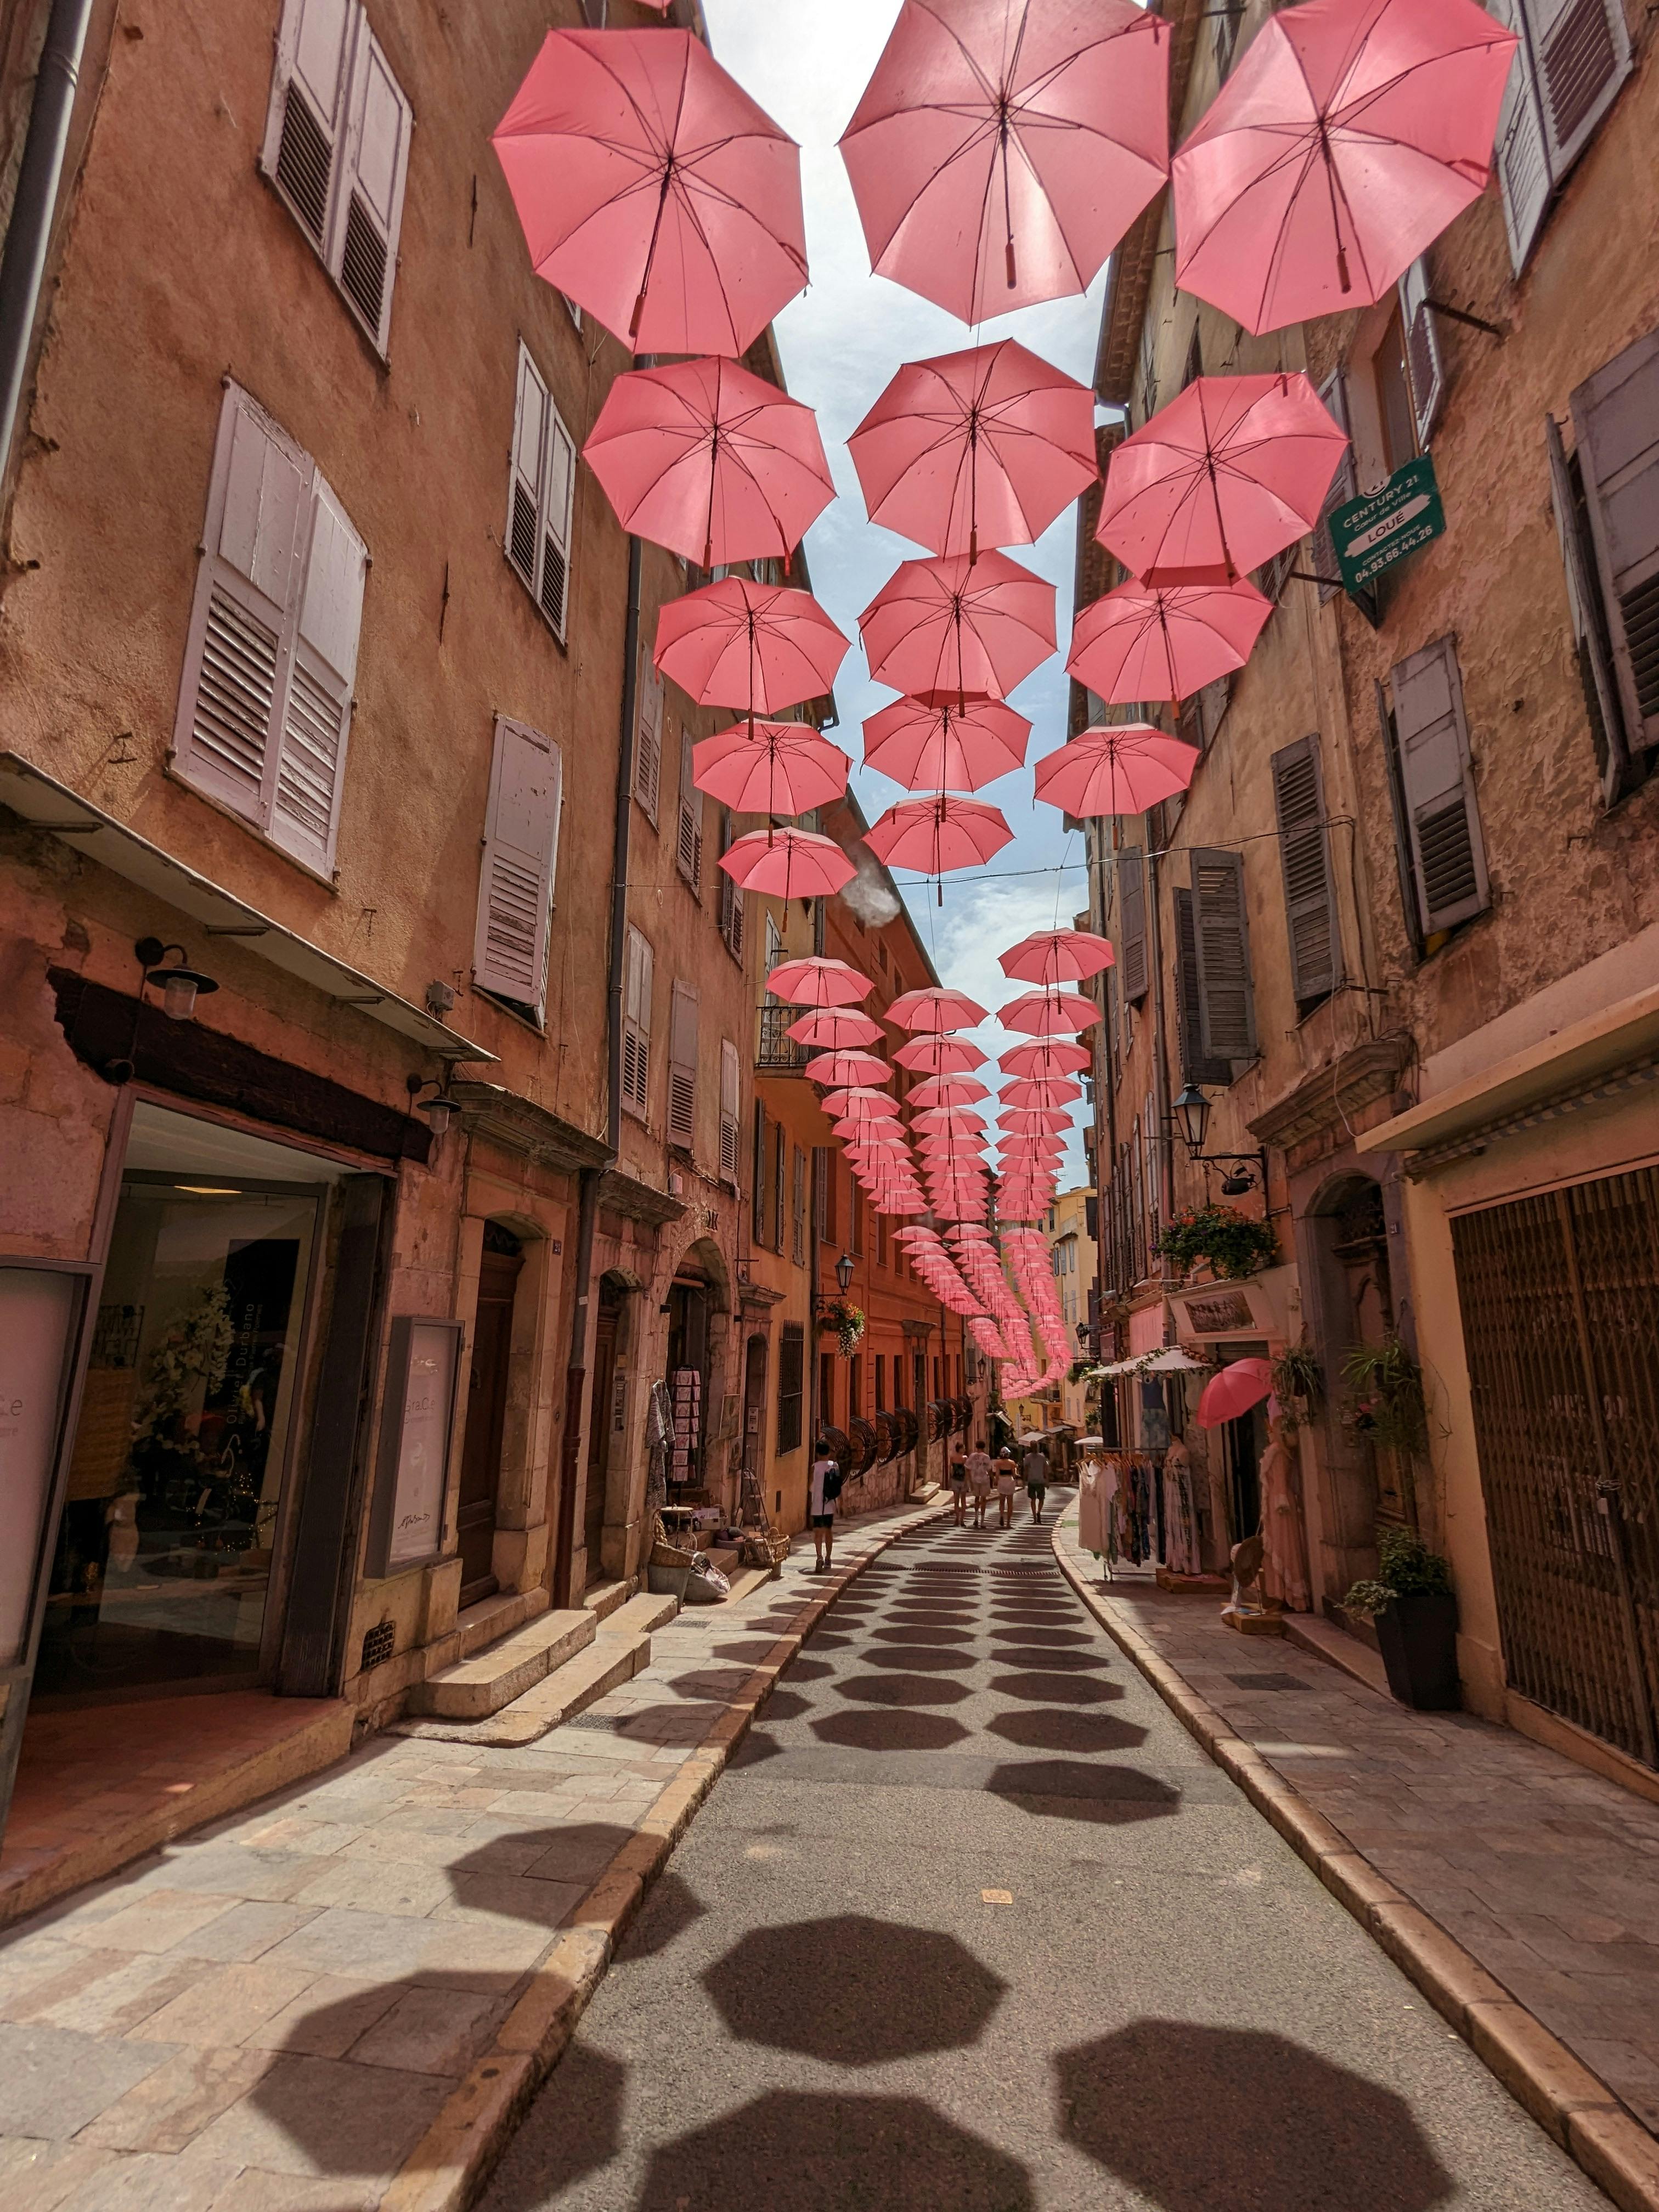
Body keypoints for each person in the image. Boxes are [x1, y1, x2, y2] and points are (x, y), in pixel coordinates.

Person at [809, 1439, 843, 1572]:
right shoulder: (834, 1465)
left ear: (817, 1453)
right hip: (829, 1504)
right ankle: (829, 1558)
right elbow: (838, 1486)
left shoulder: (814, 1467)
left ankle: (819, 1557)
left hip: (817, 1505)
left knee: (818, 1532)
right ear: (828, 1452)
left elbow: (811, 1488)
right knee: (828, 1531)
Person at [964, 1441, 994, 1527]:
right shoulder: (986, 1457)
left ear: (976, 1447)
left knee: (977, 1499)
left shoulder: (972, 1456)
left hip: (974, 1479)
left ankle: (976, 1519)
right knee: (984, 1500)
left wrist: (969, 1479)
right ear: (984, 1447)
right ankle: (982, 1521)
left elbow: (967, 1468)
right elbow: (989, 1470)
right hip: (984, 1480)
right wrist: (994, 1478)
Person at [1023, 1440, 1049, 1523]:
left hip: (1033, 1480)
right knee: (1040, 1499)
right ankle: (1038, 1513)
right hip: (1039, 1481)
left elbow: (1026, 1470)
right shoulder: (1042, 1457)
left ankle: (1035, 1516)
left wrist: (1024, 1480)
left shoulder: (1028, 1457)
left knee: (1034, 1499)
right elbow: (1045, 1470)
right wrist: (1047, 1481)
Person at [994, 1446, 1018, 1527]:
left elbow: (997, 1474)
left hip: (1002, 1481)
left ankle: (1001, 1515)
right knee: (1010, 1503)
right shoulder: (1012, 1463)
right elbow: (1014, 1475)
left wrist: (996, 1482)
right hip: (1010, 1481)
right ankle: (1008, 1523)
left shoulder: (998, 1463)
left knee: (1002, 1502)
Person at [947, 1441, 969, 1526]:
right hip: (963, 1480)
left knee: (956, 1501)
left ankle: (957, 1518)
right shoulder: (965, 1458)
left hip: (955, 1480)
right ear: (960, 1449)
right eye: (963, 1448)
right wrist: (967, 1481)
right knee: (963, 1501)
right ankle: (962, 1520)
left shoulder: (952, 1457)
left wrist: (951, 1478)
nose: (965, 1449)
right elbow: (967, 1471)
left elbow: (951, 1468)